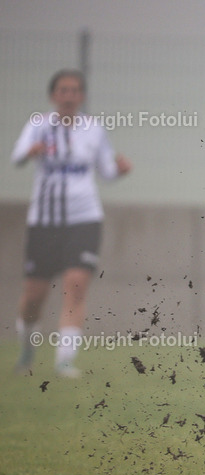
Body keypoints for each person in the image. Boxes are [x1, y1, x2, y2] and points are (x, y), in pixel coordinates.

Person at [12, 69, 131, 377]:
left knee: (76, 286)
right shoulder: (38, 125)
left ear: (82, 96)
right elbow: (17, 157)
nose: (68, 96)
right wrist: (31, 152)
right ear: (54, 95)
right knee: (33, 296)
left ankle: (65, 360)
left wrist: (120, 169)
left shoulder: (93, 129)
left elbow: (106, 171)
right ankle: (27, 347)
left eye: (74, 90)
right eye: (63, 90)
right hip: (45, 222)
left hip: (85, 219)